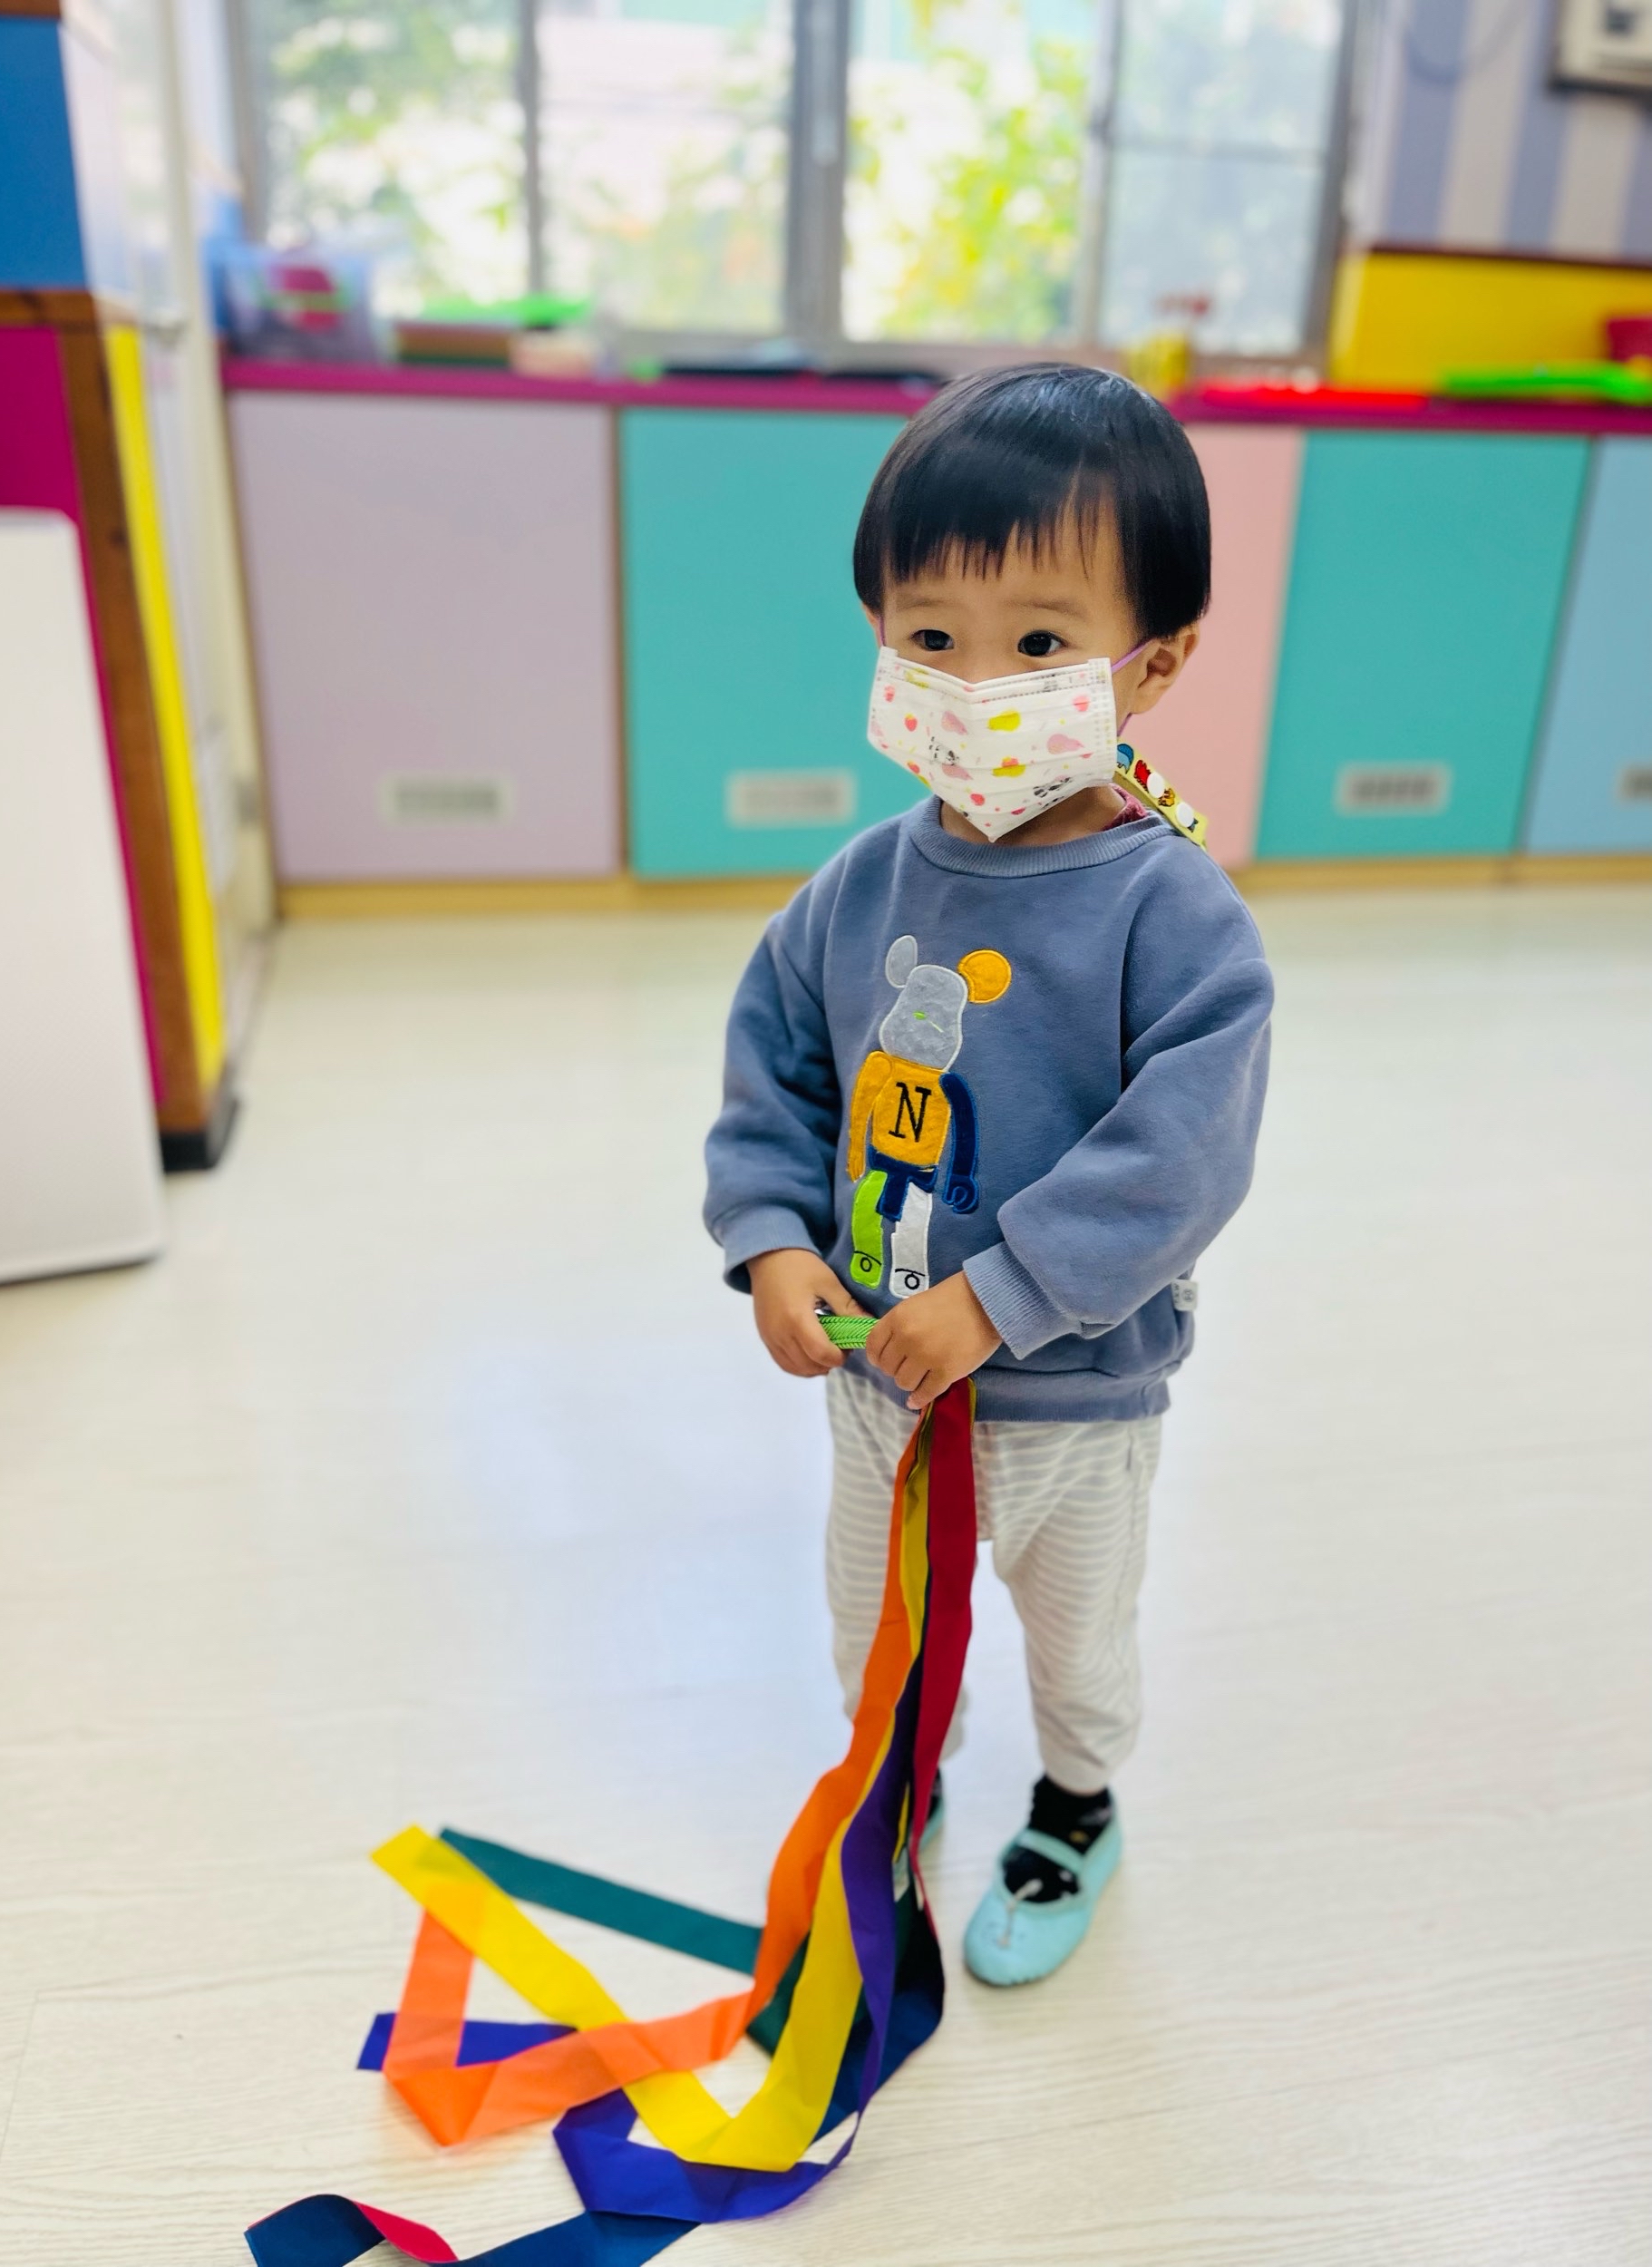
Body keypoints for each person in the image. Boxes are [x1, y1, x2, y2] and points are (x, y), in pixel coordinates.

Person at [703, 364, 1274, 1986]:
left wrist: (1007, 1294)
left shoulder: (1176, 917)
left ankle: (1078, 1807)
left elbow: (1183, 1154)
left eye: (1036, 645)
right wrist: (772, 1241)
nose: (973, 684)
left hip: (1074, 1401)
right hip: (880, 1383)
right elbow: (775, 1069)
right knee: (876, 1630)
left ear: (1152, 661)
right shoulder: (855, 889)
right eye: (932, 636)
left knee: (1077, 1644)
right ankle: (904, 1773)